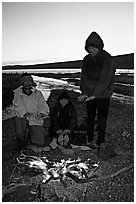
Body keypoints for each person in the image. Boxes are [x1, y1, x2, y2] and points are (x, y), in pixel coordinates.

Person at [78, 31, 115, 149]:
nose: (91, 51)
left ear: (99, 47)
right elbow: (83, 76)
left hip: (103, 94)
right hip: (89, 95)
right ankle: (90, 139)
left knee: (102, 119)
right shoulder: (86, 59)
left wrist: (96, 94)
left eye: (94, 48)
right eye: (89, 48)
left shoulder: (107, 59)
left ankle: (100, 141)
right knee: (90, 117)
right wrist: (84, 92)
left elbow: (105, 78)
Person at [12, 73, 50, 148]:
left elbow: (43, 104)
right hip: (22, 117)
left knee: (40, 143)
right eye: (26, 82)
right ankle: (21, 141)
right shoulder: (17, 93)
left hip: (35, 117)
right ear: (22, 83)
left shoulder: (38, 93)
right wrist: (25, 114)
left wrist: (42, 113)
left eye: (29, 81)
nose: (28, 84)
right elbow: (18, 106)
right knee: (20, 128)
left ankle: (33, 137)